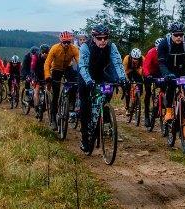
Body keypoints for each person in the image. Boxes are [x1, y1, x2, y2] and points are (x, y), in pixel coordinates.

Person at [77, 24, 127, 153]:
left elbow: (117, 62)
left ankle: (103, 116)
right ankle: (84, 137)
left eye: (105, 38)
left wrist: (122, 78)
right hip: (86, 76)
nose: (103, 40)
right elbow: (83, 66)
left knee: (106, 94)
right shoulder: (85, 47)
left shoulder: (111, 46)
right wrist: (88, 81)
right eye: (99, 38)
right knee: (85, 106)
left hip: (101, 75)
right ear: (94, 38)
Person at [157, 21, 185, 123]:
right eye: (176, 35)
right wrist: (166, 74)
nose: (179, 37)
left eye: (181, 35)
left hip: (182, 70)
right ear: (171, 34)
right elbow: (161, 63)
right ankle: (168, 111)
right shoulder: (164, 43)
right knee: (171, 86)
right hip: (169, 70)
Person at [45, 31, 81, 129]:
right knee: (56, 94)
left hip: (67, 68)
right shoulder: (55, 48)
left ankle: (70, 104)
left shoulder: (74, 49)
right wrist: (48, 76)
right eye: (64, 42)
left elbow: (80, 63)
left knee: (74, 84)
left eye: (68, 42)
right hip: (56, 69)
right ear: (61, 41)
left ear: (71, 42)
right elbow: (47, 63)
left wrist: (83, 75)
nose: (66, 44)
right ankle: (53, 118)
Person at [141, 38, 162, 128]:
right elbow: (145, 66)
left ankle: (161, 101)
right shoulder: (152, 52)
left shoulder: (166, 52)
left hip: (159, 72)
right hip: (149, 72)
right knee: (148, 93)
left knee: (164, 86)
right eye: (159, 49)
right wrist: (148, 75)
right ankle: (146, 116)